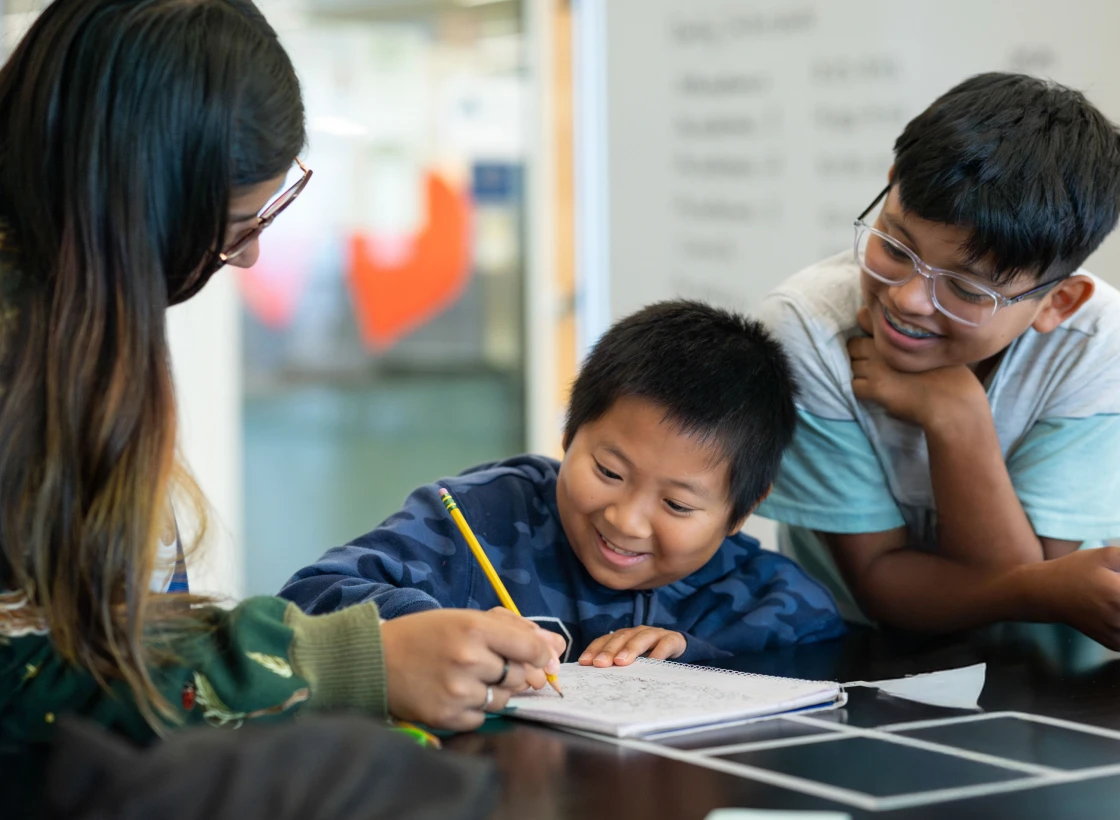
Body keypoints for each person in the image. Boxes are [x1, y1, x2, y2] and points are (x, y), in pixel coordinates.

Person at [0, 0, 563, 744]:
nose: (248, 258)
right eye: (234, 230)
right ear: (134, 206)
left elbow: (106, 631)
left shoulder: (65, 330)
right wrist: (343, 663)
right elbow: (31, 674)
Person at [756, 72, 1120, 646]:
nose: (907, 298)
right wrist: (958, 418)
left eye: (969, 290)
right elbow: (880, 582)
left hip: (1051, 675)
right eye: (896, 247)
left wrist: (958, 418)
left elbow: (1035, 572)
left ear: (1057, 302)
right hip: (855, 654)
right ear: (891, 185)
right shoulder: (808, 328)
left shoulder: (1096, 345)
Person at [280, 300, 845, 665]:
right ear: (569, 433)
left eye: (676, 503)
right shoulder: (482, 517)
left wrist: (697, 658)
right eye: (608, 472)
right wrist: (429, 629)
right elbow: (305, 600)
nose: (625, 519)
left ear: (741, 512)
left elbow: (827, 643)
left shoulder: (756, 595)